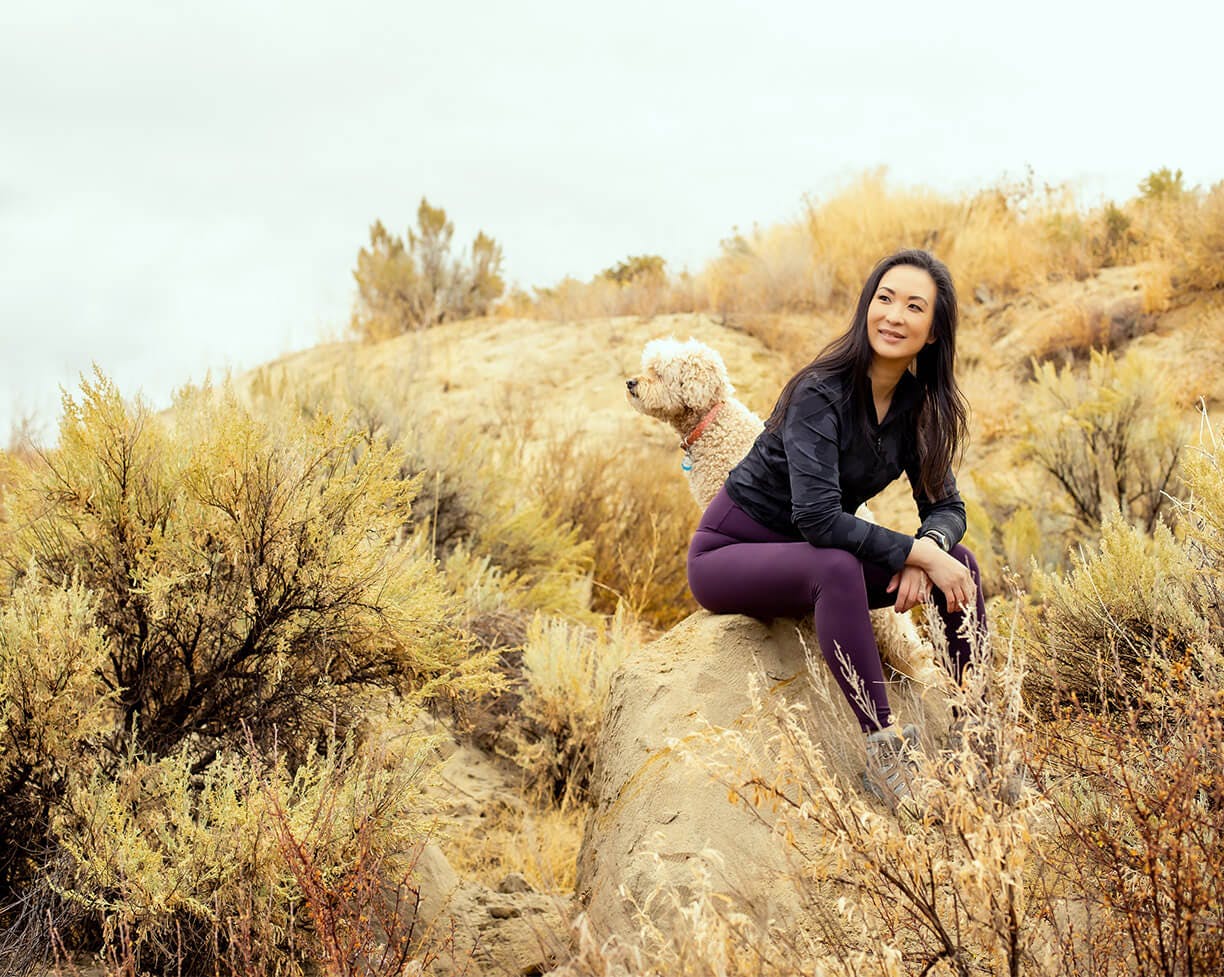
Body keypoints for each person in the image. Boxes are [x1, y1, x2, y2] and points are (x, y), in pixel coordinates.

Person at [686, 248, 987, 813]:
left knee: (961, 565)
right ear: (866, 308)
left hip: (806, 552)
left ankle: (979, 736)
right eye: (885, 299)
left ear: (933, 332)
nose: (894, 315)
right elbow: (818, 518)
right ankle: (883, 750)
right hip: (730, 552)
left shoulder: (920, 407)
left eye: (914, 307)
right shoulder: (819, 392)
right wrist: (911, 555)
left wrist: (934, 549)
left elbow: (946, 504)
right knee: (837, 565)